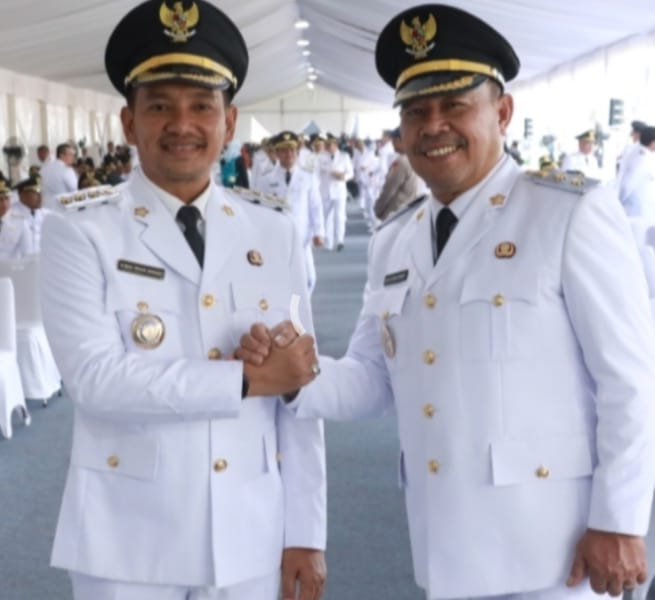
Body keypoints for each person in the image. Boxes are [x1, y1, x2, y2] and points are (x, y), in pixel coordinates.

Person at [236, 4, 655, 600]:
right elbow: (371, 377)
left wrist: (619, 519)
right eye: (416, 112)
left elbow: (631, 378)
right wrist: (295, 376)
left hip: (556, 553)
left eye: (455, 105)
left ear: (502, 112)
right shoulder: (394, 239)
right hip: (446, 544)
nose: (434, 125)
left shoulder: (568, 214)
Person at [39, 1, 326, 599]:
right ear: (128, 122)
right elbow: (93, 378)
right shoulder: (81, 228)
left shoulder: (273, 228)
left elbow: (298, 384)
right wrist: (245, 380)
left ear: (230, 121)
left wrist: (305, 531)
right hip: (128, 536)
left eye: (201, 105)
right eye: (159, 106)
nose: (182, 123)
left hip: (250, 526)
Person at [259, 131, 325, 293]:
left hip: (302, 235)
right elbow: (261, 210)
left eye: (292, 150)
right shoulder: (267, 180)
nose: (288, 154)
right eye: (283, 150)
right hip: (277, 237)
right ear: (277, 153)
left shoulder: (307, 177)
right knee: (281, 279)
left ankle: (298, 308)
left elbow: (315, 206)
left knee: (309, 279)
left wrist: (319, 232)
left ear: (297, 152)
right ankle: (290, 308)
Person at [374, 127, 424, 221]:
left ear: (400, 140)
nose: (392, 144)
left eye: (393, 141)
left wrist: (378, 208)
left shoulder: (401, 162)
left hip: (397, 212)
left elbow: (389, 189)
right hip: (413, 210)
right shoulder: (418, 158)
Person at [319, 134, 353, 251]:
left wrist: (343, 177)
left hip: (339, 190)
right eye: (327, 145)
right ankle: (328, 241)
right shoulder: (321, 157)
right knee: (326, 217)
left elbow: (350, 173)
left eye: (331, 145)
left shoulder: (344, 156)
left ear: (336, 145)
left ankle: (340, 240)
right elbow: (317, 172)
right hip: (325, 190)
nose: (329, 147)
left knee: (340, 216)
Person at [619, 125, 655, 219]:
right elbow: (627, 185)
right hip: (636, 210)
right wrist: (620, 203)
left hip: (642, 209)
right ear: (652, 143)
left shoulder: (645, 156)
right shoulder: (642, 160)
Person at [13, 176, 46, 254]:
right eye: (35, 192)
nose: (40, 196)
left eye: (40, 192)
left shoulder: (45, 214)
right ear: (23, 195)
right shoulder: (10, 214)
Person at [40, 142, 78, 209]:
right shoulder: (67, 170)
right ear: (61, 155)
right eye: (70, 154)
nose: (73, 157)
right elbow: (75, 190)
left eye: (73, 154)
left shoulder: (43, 169)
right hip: (63, 208)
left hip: (45, 208)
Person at [0, 180, 31, 259]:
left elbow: (27, 252)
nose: (4, 204)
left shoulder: (20, 222)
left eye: (7, 198)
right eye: (0, 199)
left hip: (11, 266)